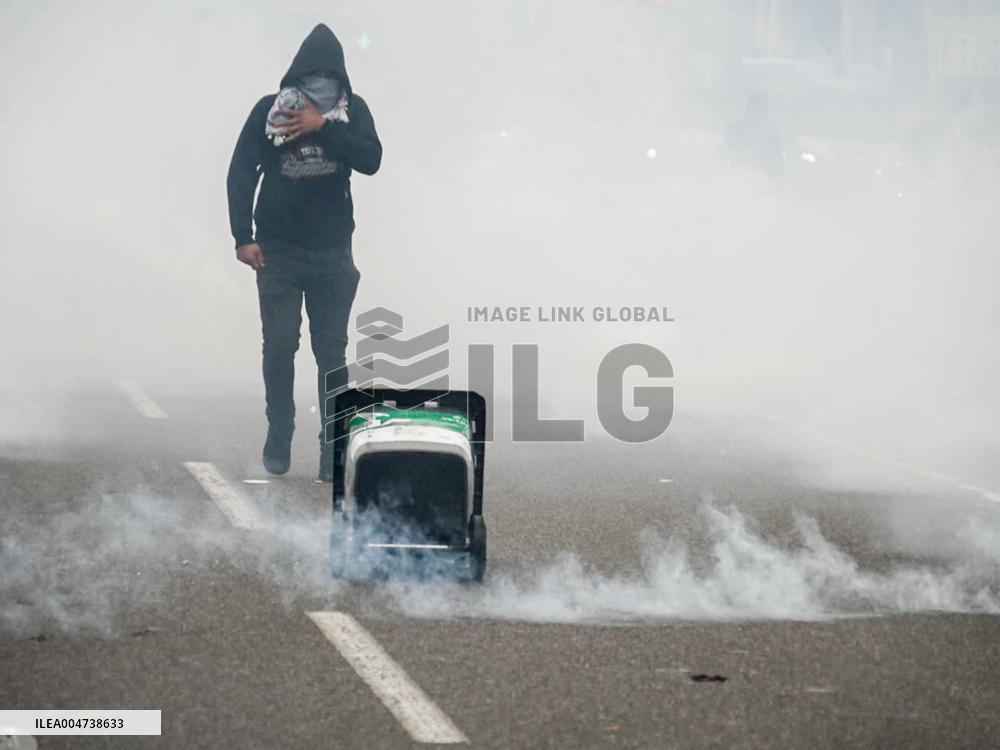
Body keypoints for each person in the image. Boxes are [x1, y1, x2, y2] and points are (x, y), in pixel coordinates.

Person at [227, 23, 382, 481]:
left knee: (331, 351)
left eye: (328, 75)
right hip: (277, 251)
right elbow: (240, 171)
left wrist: (324, 127)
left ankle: (331, 447)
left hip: (333, 253)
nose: (319, 84)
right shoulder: (269, 111)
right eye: (310, 74)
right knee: (279, 345)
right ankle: (280, 431)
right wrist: (242, 237)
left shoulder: (353, 110)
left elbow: (371, 160)